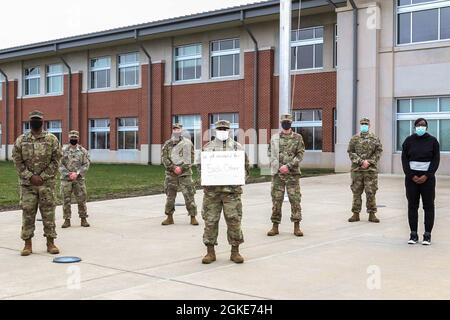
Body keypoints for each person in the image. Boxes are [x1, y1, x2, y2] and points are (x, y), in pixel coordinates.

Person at [12, 110, 62, 256]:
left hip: (46, 184)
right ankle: (27, 244)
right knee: (28, 212)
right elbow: (17, 160)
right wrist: (30, 176)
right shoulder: (21, 140)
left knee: (48, 212)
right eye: (33, 119)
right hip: (28, 185)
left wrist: (43, 176)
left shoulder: (52, 139)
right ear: (30, 122)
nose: (36, 122)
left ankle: (50, 242)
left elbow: (56, 159)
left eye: (38, 119)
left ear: (42, 122)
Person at [200, 120, 249, 264]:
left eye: (225, 128)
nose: (222, 130)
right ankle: (210, 252)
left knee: (234, 221)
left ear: (229, 130)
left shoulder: (237, 148)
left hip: (231, 193)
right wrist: (206, 179)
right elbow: (200, 167)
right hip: (212, 193)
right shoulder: (207, 148)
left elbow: (245, 168)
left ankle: (235, 251)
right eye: (220, 128)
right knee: (210, 221)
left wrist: (239, 179)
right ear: (215, 130)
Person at [402, 118, 440, 245]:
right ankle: (413, 234)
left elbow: (436, 160)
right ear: (414, 127)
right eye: (418, 125)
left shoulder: (433, 141)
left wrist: (427, 175)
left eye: (423, 125)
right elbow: (404, 160)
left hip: (427, 179)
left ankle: (427, 235)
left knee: (428, 206)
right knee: (412, 206)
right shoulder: (408, 141)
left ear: (427, 127)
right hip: (411, 179)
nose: (420, 127)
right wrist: (411, 175)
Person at [267, 114, 305, 237]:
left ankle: (296, 226)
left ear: (291, 123)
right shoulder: (275, 138)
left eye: (288, 121)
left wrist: (288, 166)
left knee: (295, 200)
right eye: (284, 121)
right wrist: (279, 167)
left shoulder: (298, 138)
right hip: (278, 175)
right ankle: (275, 226)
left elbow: (300, 154)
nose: (286, 123)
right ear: (281, 123)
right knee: (276, 200)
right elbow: (270, 153)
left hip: (292, 174)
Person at [161, 123, 199, 226]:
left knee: (189, 195)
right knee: (170, 196)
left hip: (185, 174)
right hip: (171, 175)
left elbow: (190, 158)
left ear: (181, 130)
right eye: (174, 129)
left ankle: (193, 217)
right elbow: (164, 158)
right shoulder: (167, 144)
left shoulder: (187, 143)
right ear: (172, 130)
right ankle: (169, 217)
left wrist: (181, 168)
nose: (176, 130)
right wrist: (173, 167)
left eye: (178, 129)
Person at [347, 117, 383, 223]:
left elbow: (379, 152)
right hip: (357, 170)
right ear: (360, 125)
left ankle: (372, 214)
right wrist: (360, 161)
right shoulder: (354, 138)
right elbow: (350, 151)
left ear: (369, 125)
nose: (364, 125)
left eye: (366, 124)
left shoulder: (375, 139)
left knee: (371, 192)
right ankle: (355, 214)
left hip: (370, 170)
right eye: (362, 124)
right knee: (356, 192)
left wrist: (369, 162)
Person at [59, 130, 91, 228]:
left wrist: (77, 173)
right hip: (66, 180)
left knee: (82, 199)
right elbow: (59, 164)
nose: (73, 139)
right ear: (69, 138)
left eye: (75, 138)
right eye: (72, 138)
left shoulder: (83, 151)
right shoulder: (63, 150)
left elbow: (86, 163)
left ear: (78, 138)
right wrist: (69, 174)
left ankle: (83, 219)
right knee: (66, 200)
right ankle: (66, 220)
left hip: (79, 179)